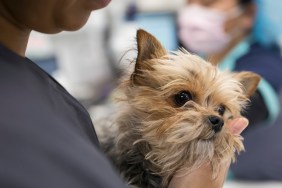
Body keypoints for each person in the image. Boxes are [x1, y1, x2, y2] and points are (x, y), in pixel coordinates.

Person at [0, 0, 248, 187]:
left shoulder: (50, 99)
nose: (215, 118)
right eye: (182, 98)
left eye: (221, 110)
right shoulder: (21, 115)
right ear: (138, 83)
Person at [178, 0, 282, 181]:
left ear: (248, 13)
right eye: (189, 2)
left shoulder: (265, 60)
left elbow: (249, 104)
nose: (193, 11)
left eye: (207, 3)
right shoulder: (197, 58)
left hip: (252, 180)